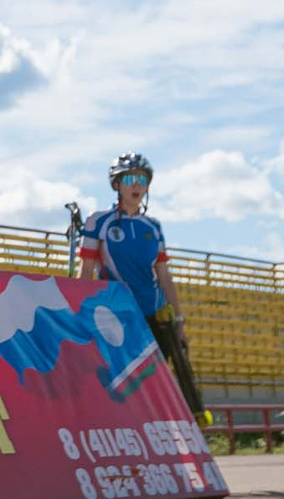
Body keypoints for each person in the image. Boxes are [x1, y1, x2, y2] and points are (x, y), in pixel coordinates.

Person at [75, 154, 205, 422]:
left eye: (143, 180)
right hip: (117, 316)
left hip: (154, 316)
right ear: (117, 184)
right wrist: (81, 312)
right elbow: (86, 272)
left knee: (155, 382)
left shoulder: (153, 227)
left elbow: (164, 276)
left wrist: (179, 320)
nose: (137, 185)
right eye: (130, 179)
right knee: (122, 383)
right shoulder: (98, 221)